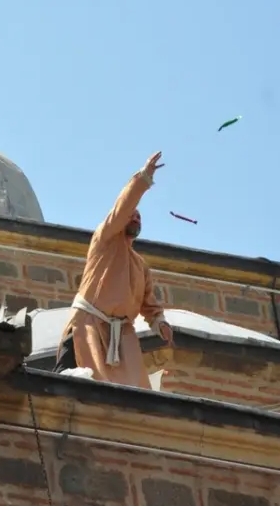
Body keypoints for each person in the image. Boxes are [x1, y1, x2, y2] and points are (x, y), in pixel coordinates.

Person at [54, 151, 174, 388]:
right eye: (133, 215)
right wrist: (142, 181)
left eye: (140, 218)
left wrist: (160, 322)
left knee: (134, 393)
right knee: (71, 380)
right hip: (90, 324)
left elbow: (149, 305)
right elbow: (123, 206)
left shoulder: (140, 265)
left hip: (122, 338)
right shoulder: (105, 238)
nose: (137, 219)